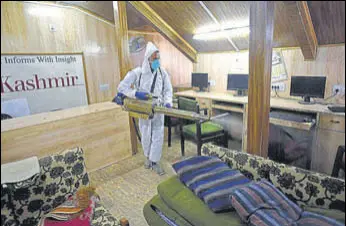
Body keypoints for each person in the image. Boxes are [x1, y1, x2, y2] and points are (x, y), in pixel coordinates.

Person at [117, 42, 173, 175]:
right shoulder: (138, 73)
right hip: (144, 107)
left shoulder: (162, 72)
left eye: (158, 58)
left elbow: (168, 89)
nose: (157, 61)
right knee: (146, 133)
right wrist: (135, 93)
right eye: (154, 58)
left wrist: (168, 102)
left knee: (158, 134)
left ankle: (155, 161)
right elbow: (121, 88)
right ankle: (148, 158)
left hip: (158, 107)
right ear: (148, 58)